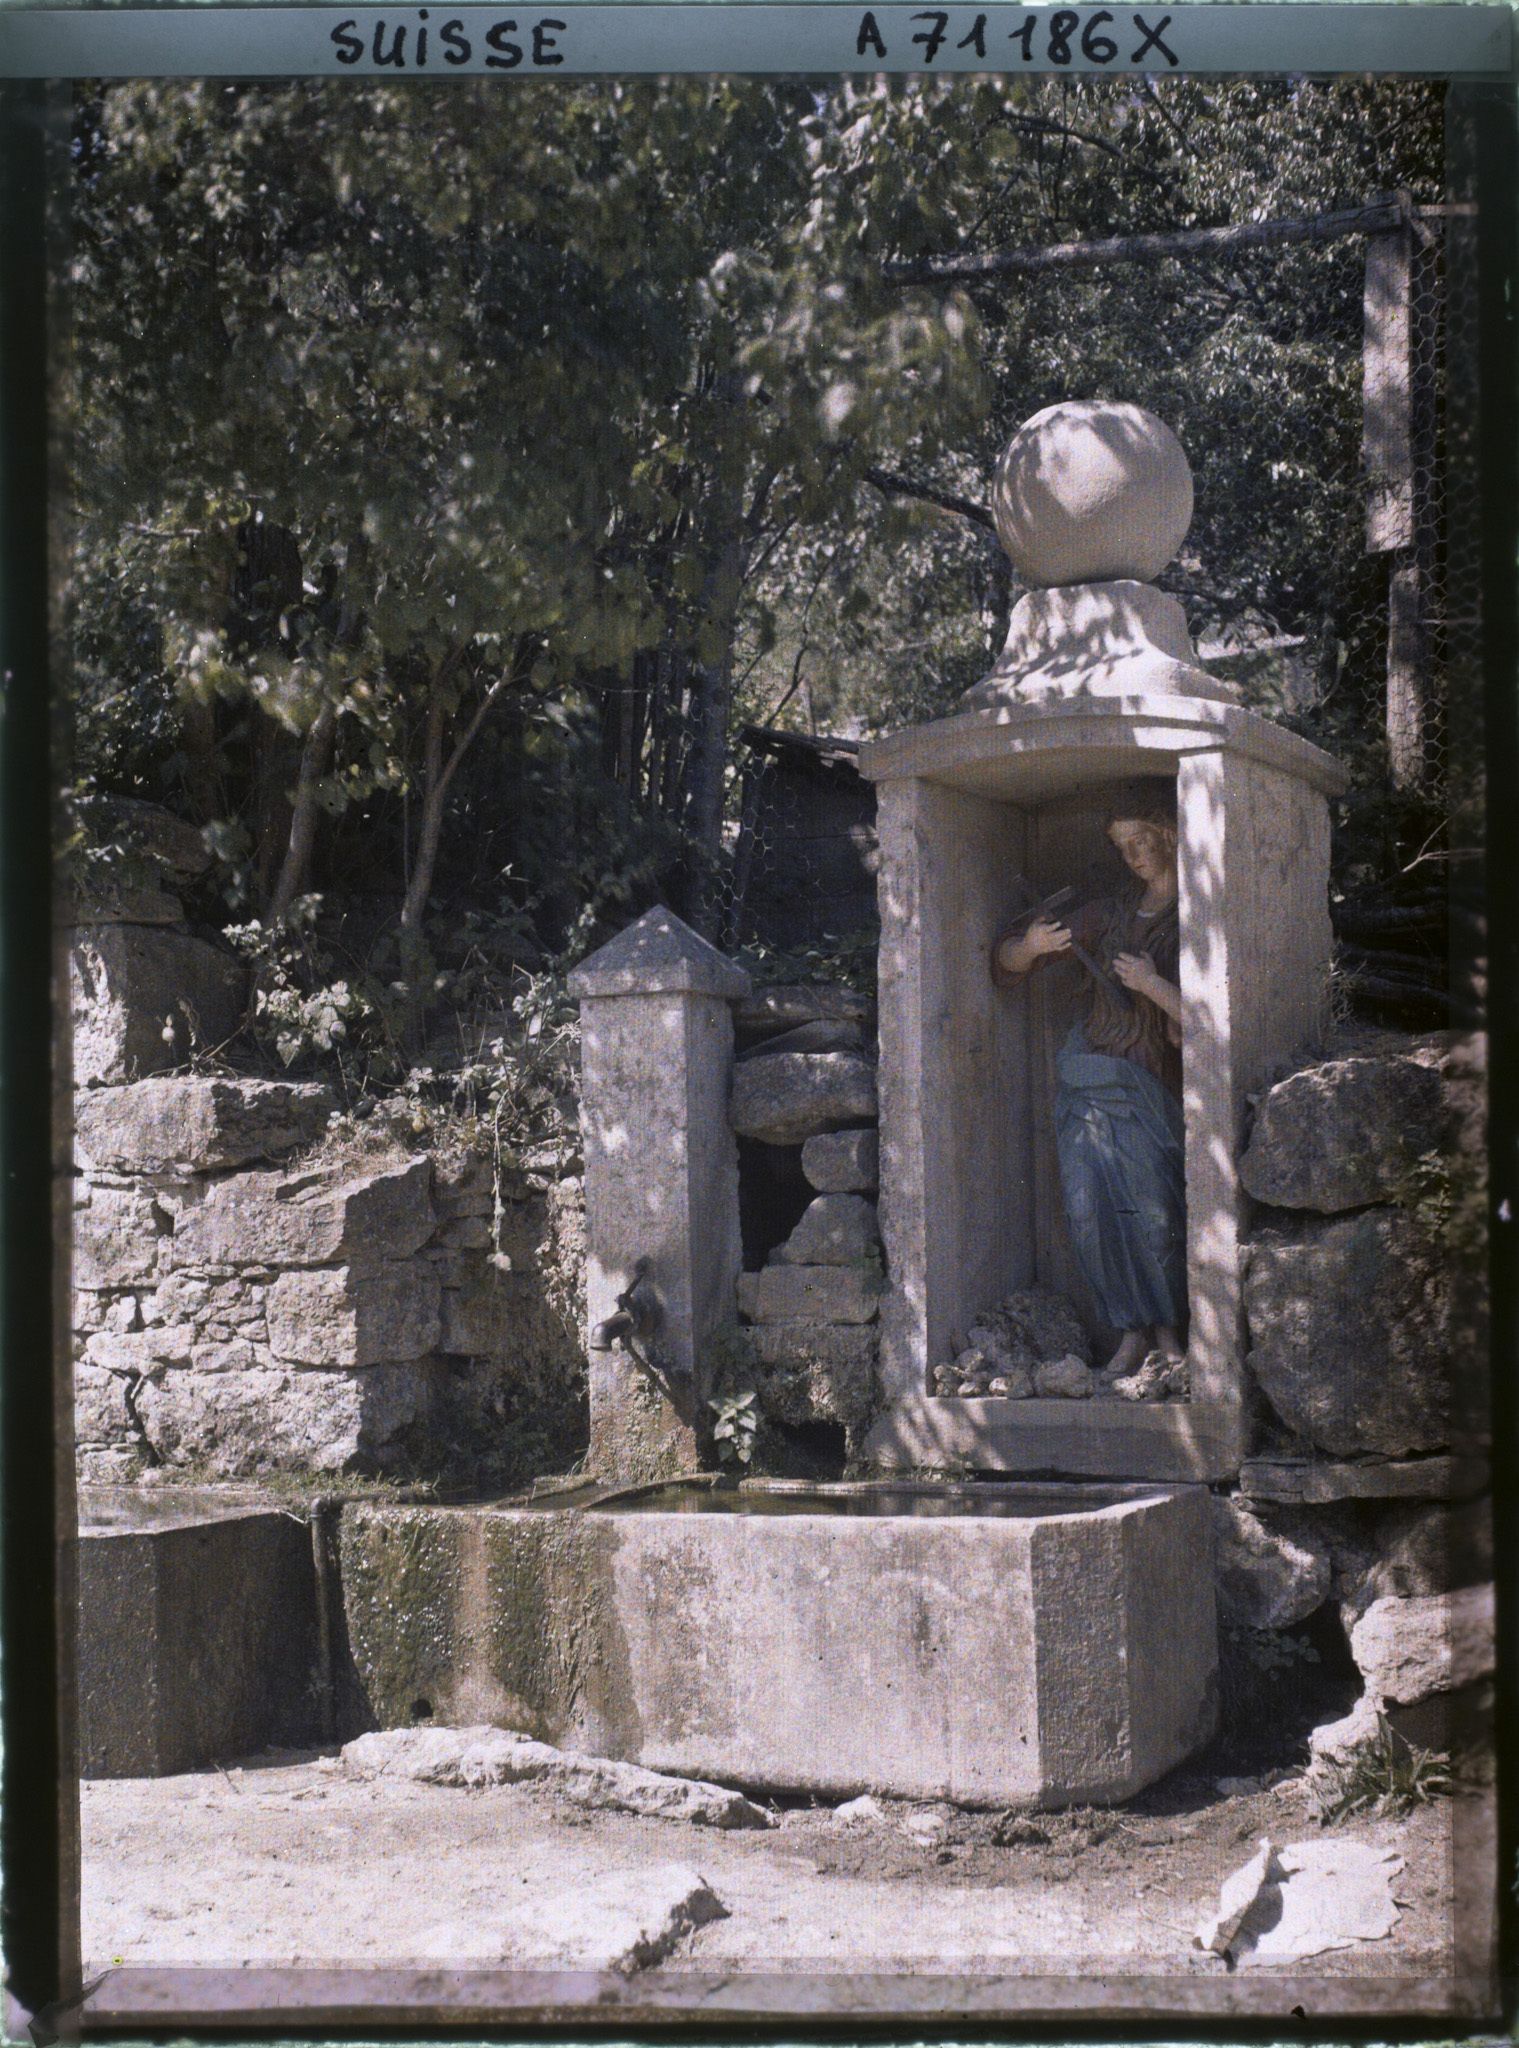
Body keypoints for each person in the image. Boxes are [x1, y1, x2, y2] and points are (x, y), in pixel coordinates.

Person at [991, 783, 1187, 1387]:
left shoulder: (1199, 914)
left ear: (1171, 836)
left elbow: (1212, 1020)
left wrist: (1153, 986)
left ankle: (1172, 1338)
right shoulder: (1110, 911)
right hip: (1087, 1076)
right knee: (1091, 1212)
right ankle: (1131, 1334)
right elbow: (1008, 962)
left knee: (1153, 1214)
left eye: (1143, 841)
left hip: (1149, 1081)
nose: (1134, 855)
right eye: (1123, 846)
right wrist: (1031, 945)